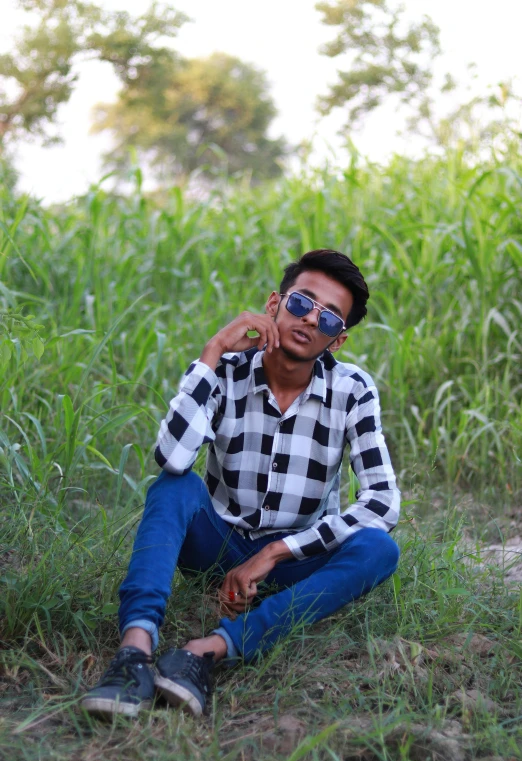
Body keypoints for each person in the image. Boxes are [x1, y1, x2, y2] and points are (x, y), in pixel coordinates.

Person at [81, 249, 401, 718]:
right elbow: (172, 458)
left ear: (337, 341)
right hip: (218, 544)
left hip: (294, 560)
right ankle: (134, 651)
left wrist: (275, 553)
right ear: (274, 304)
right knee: (174, 488)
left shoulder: (352, 389)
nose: (311, 319)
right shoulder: (227, 372)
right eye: (301, 303)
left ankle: (207, 650)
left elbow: (382, 502)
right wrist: (211, 353)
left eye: (329, 319)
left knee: (379, 549)